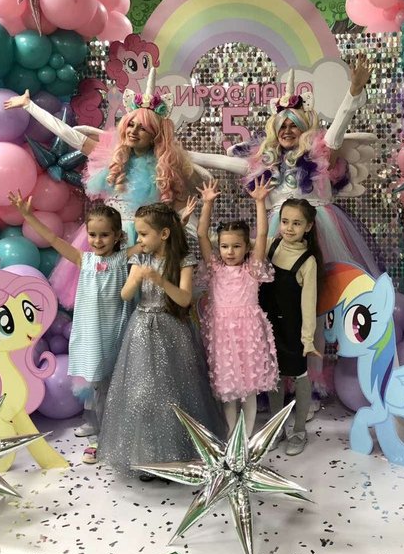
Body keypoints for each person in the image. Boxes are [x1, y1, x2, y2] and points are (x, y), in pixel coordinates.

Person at [4, 68, 206, 309]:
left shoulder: (164, 169)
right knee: (104, 301)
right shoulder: (110, 156)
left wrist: (204, 234)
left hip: (145, 240)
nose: (133, 131)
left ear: (154, 135)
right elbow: (68, 134)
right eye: (130, 125)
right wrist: (29, 106)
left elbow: (179, 212)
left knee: (142, 301)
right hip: (108, 235)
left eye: (142, 128)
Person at [188, 59, 380, 277]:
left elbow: (339, 126)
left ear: (304, 129)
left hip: (318, 226)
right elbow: (224, 162)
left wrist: (354, 90)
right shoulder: (266, 164)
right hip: (279, 226)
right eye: (282, 126)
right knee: (280, 279)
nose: (287, 131)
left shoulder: (321, 153)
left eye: (293, 126)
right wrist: (184, 155)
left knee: (324, 278)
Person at [8, 191, 140, 464]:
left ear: (118, 235)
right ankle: (93, 423)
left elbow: (152, 243)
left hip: (113, 333)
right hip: (90, 333)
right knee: (92, 381)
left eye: (105, 235)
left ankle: (102, 437)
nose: (97, 240)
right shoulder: (85, 259)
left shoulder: (123, 259)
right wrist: (28, 216)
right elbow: (53, 239)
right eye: (93, 235)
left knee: (107, 384)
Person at [98, 203, 224, 478]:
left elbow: (184, 299)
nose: (139, 239)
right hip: (142, 330)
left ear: (164, 234)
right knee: (143, 393)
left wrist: (159, 280)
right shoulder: (139, 259)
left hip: (173, 330)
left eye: (143, 234)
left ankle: (177, 456)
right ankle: (147, 457)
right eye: (138, 234)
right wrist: (136, 278)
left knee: (175, 392)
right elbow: (125, 295)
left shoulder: (183, 260)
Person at [197, 177, 278, 437]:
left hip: (247, 335)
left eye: (236, 246)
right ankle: (232, 435)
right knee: (227, 390)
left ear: (246, 247)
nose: (229, 251)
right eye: (224, 246)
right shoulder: (215, 269)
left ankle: (247, 437)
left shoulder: (252, 270)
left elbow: (262, 234)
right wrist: (207, 204)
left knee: (248, 389)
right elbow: (201, 235)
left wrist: (260, 202)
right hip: (222, 336)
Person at [259, 198, 323, 456]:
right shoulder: (270, 246)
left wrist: (307, 339)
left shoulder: (308, 261)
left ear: (308, 226)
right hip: (269, 326)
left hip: (294, 328)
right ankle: (276, 427)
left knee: (298, 375)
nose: (289, 227)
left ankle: (299, 430)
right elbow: (235, 243)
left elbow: (309, 304)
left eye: (296, 223)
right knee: (273, 376)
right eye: (285, 221)